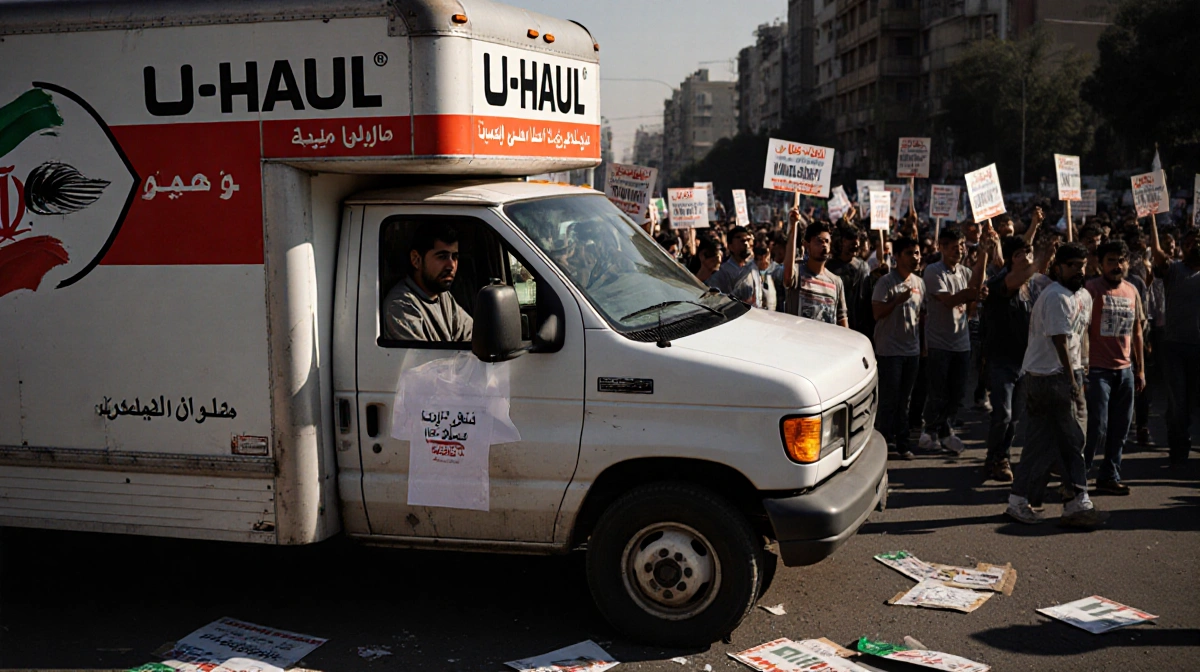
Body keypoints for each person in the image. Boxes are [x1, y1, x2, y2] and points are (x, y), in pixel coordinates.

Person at [1007, 242, 1107, 527]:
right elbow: (1060, 341)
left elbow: (1080, 336)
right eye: (1071, 265)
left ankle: (1022, 500)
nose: (1078, 270)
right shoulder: (1054, 297)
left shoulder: (1084, 296)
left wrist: (1083, 364)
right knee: (1074, 438)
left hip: (1067, 373)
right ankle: (1077, 500)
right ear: (1057, 268)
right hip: (1049, 377)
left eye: (1082, 265)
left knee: (1046, 443)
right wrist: (1073, 382)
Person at [980, 207, 1045, 482]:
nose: (1026, 259)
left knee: (1016, 417)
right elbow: (1017, 277)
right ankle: (997, 457)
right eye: (1019, 255)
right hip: (1001, 361)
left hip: (1024, 361)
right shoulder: (999, 283)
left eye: (1028, 255)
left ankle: (1001, 454)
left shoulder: (1034, 288)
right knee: (1003, 414)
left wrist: (1034, 226)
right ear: (1009, 261)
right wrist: (1044, 255)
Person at [1082, 239, 1145, 495]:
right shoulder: (1091, 290)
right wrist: (1083, 366)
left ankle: (1109, 475)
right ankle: (1078, 477)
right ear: (1100, 264)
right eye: (1111, 261)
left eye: (1121, 260)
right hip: (1097, 370)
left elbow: (1138, 330)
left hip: (1125, 371)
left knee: (1120, 429)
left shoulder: (1132, 290)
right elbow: (1081, 328)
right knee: (1097, 427)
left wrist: (1140, 369)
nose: (1117, 266)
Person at [918, 228, 988, 455]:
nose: (958, 250)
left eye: (961, 245)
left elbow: (973, 299)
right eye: (952, 246)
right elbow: (949, 301)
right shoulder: (933, 271)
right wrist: (972, 293)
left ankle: (942, 429)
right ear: (941, 247)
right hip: (939, 343)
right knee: (938, 391)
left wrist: (985, 252)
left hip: (962, 342)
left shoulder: (965, 272)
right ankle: (933, 431)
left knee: (957, 393)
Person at [1149, 226, 1200, 466]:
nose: (1195, 245)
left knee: (1192, 401)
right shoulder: (1174, 270)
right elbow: (1158, 252)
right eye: (1190, 242)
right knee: (1178, 401)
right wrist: (1152, 220)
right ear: (1182, 247)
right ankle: (1178, 446)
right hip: (1174, 348)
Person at [872, 237, 925, 459]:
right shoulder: (885, 282)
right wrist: (897, 301)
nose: (916, 258)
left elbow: (922, 317)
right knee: (889, 400)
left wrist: (924, 347)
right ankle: (883, 444)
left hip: (911, 352)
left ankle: (903, 443)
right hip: (889, 351)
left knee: (905, 399)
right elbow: (877, 313)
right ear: (897, 257)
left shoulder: (919, 283)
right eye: (910, 253)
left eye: (918, 253)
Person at [383, 221, 473, 342]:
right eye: (442, 257)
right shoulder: (401, 306)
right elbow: (421, 359)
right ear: (416, 260)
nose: (451, 265)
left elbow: (471, 335)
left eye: (455, 257)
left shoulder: (443, 296)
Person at [783, 213, 848, 326]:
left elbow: (842, 319)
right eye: (819, 241)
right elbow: (788, 274)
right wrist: (793, 226)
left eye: (827, 241)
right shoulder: (797, 273)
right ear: (806, 245)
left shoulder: (836, 282)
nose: (824, 245)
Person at [827, 221, 873, 336]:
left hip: (859, 327)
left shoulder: (863, 268)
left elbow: (867, 299)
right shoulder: (830, 268)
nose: (855, 243)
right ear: (842, 241)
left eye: (856, 240)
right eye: (850, 239)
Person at [706, 225, 764, 306]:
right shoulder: (722, 272)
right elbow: (714, 301)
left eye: (747, 239)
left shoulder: (753, 268)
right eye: (741, 240)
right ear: (730, 246)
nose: (746, 243)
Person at [754, 246, 778, 312]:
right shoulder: (752, 274)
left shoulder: (772, 273)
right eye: (761, 259)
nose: (766, 262)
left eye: (768, 259)